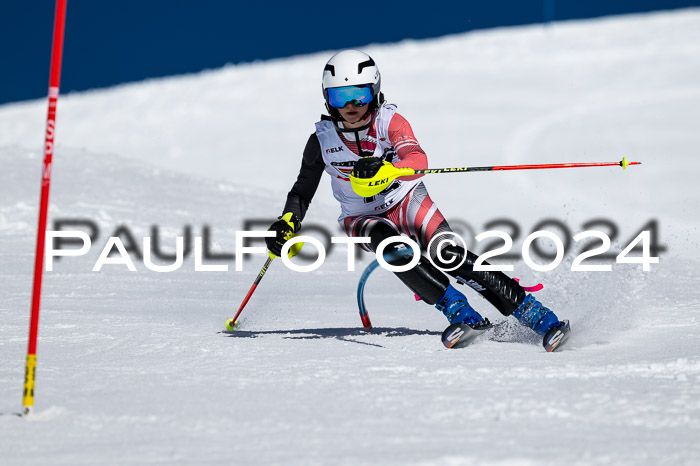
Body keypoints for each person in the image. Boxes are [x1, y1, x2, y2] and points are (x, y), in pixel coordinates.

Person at [265, 49, 570, 351]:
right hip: (361, 216)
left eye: (358, 94)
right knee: (392, 247)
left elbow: (418, 159)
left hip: (407, 200)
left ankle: (537, 316)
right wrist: (287, 221)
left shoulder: (390, 122)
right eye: (339, 97)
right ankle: (462, 315)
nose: (351, 105)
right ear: (327, 99)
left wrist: (389, 169)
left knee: (448, 254)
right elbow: (303, 190)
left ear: (374, 91)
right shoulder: (322, 140)